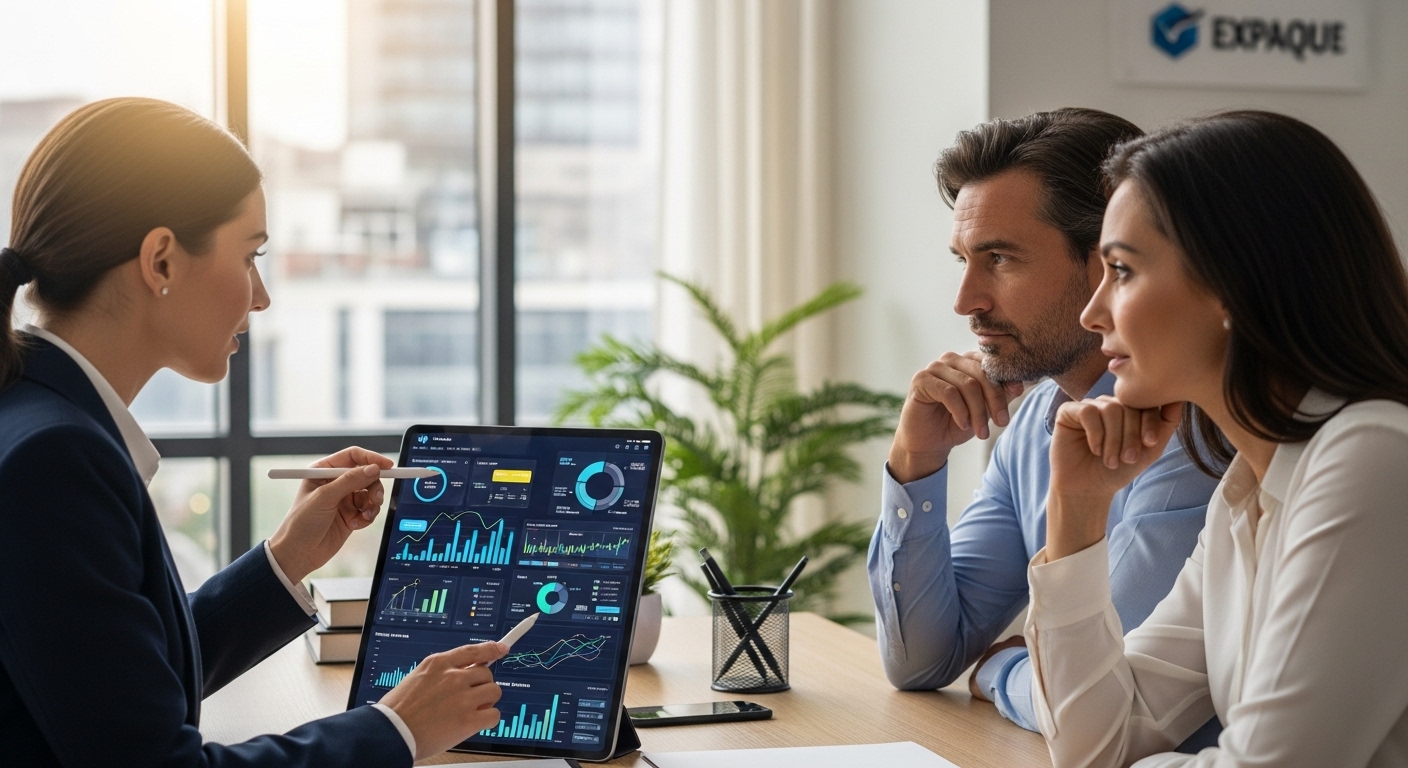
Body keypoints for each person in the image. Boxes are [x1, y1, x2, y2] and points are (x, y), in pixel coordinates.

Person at [0, 98, 504, 766]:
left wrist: (285, 558)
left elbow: (118, 688)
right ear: (161, 262)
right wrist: (396, 730)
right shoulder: (56, 459)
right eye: (249, 256)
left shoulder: (36, 420)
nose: (260, 295)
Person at [1028, 110, 1408, 767]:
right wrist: (1076, 517)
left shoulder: (1374, 456)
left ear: (1233, 282)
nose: (1094, 314)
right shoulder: (1243, 494)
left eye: (1120, 270)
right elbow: (1096, 747)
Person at [866, 108, 1221, 748]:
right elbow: (920, 661)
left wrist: (1000, 667)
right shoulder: (1035, 420)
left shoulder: (1190, 432)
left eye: (999, 258)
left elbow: (1100, 699)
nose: (965, 300)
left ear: (1105, 264)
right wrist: (914, 461)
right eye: (963, 260)